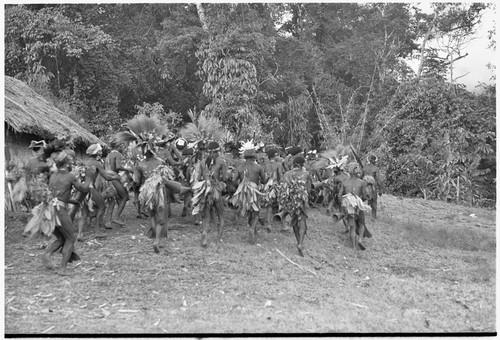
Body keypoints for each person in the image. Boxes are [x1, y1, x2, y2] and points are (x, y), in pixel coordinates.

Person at [24, 151, 90, 275]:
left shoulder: (53, 176)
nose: (72, 163)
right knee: (71, 237)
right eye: (71, 161)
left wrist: (72, 200)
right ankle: (63, 269)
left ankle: (47, 254)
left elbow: (57, 193)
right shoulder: (70, 176)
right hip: (59, 210)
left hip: (49, 209)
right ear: (67, 162)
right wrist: (90, 178)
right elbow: (84, 189)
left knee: (61, 238)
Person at [137, 149, 191, 253]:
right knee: (161, 220)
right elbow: (166, 181)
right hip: (159, 191)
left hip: (146, 192)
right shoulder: (160, 162)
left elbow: (137, 181)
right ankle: (157, 240)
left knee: (152, 216)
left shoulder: (140, 164)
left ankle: (156, 238)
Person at [192, 141, 228, 247]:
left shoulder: (202, 162)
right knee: (221, 215)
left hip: (205, 191)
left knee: (206, 217)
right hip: (216, 190)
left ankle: (204, 234)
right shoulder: (222, 161)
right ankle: (217, 240)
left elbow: (197, 178)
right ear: (217, 151)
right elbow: (225, 178)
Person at [82, 143, 121, 236]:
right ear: (97, 152)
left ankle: (80, 233)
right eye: (99, 151)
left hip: (83, 187)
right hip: (90, 188)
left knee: (84, 211)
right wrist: (116, 177)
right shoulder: (97, 163)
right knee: (102, 206)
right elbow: (107, 177)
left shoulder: (86, 162)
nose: (101, 152)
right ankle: (97, 231)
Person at [231, 145, 267, 244]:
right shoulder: (258, 167)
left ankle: (253, 229)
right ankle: (252, 229)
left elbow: (233, 180)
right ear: (253, 157)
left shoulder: (239, 167)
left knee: (248, 211)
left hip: (243, 191)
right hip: (254, 190)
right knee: (256, 211)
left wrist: (240, 186)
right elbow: (264, 180)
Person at [281, 155, 314, 257]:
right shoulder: (306, 174)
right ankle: (300, 244)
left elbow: (284, 187)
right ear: (302, 165)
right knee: (302, 220)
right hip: (301, 200)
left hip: (290, 200)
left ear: (294, 164)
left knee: (294, 220)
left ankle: (297, 241)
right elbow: (308, 189)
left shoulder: (287, 174)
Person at [337, 162, 372, 251]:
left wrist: (344, 205)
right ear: (357, 171)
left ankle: (353, 246)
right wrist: (361, 201)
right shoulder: (362, 182)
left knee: (352, 227)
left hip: (349, 206)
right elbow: (364, 195)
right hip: (358, 206)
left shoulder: (344, 183)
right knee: (361, 223)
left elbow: (339, 196)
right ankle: (360, 239)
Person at [104, 140, 134, 227]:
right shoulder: (117, 154)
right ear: (118, 146)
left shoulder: (108, 155)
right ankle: (116, 217)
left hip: (106, 177)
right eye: (122, 145)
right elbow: (117, 166)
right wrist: (128, 169)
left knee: (111, 200)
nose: (123, 147)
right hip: (113, 177)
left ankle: (108, 222)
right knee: (125, 197)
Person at [261, 148, 284, 232]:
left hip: (266, 186)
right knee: (281, 204)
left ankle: (268, 224)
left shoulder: (264, 164)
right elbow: (280, 176)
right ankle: (283, 225)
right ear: (275, 156)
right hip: (275, 185)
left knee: (269, 206)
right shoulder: (278, 165)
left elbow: (263, 176)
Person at [362, 155, 384, 220]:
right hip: (372, 187)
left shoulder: (364, 168)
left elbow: (360, 177)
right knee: (374, 201)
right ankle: (373, 216)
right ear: (374, 161)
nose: (376, 162)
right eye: (375, 161)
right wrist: (380, 190)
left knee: (361, 200)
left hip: (364, 187)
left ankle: (356, 213)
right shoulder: (376, 169)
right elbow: (378, 180)